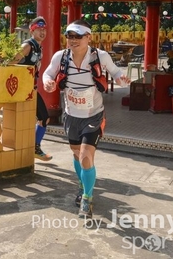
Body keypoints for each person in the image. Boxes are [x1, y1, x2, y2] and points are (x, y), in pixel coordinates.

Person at [42, 19, 130, 219]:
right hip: (71, 116)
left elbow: (116, 72)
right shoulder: (61, 56)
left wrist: (121, 79)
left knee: (85, 156)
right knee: (76, 155)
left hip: (94, 115)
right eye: (69, 36)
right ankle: (83, 186)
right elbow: (48, 73)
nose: (73, 40)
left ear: (88, 37)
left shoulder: (100, 56)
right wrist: (48, 82)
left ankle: (87, 198)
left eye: (78, 36)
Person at [12, 16, 52, 161]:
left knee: (43, 118)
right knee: (43, 118)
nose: (42, 32)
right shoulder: (27, 46)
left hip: (31, 88)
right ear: (32, 31)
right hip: (24, 89)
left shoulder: (38, 47)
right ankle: (34, 148)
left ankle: (34, 147)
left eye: (44, 29)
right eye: (39, 29)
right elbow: (11, 62)